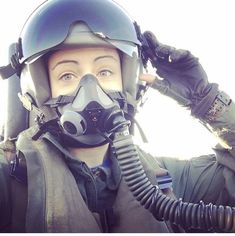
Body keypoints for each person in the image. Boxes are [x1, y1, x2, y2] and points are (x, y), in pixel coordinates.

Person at [0, 0, 235, 233]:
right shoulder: (9, 178)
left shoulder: (169, 179)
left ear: (129, 81)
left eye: (105, 71)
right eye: (67, 75)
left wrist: (206, 101)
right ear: (40, 89)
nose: (91, 90)